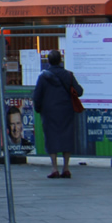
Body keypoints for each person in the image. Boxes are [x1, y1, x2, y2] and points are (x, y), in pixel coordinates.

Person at [33, 49, 83, 178]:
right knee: (67, 137)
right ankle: (66, 168)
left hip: (49, 112)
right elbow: (79, 91)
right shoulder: (69, 75)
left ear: (48, 61)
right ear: (60, 60)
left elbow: (37, 96)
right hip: (66, 111)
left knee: (51, 138)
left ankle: (54, 168)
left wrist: (38, 108)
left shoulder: (43, 77)